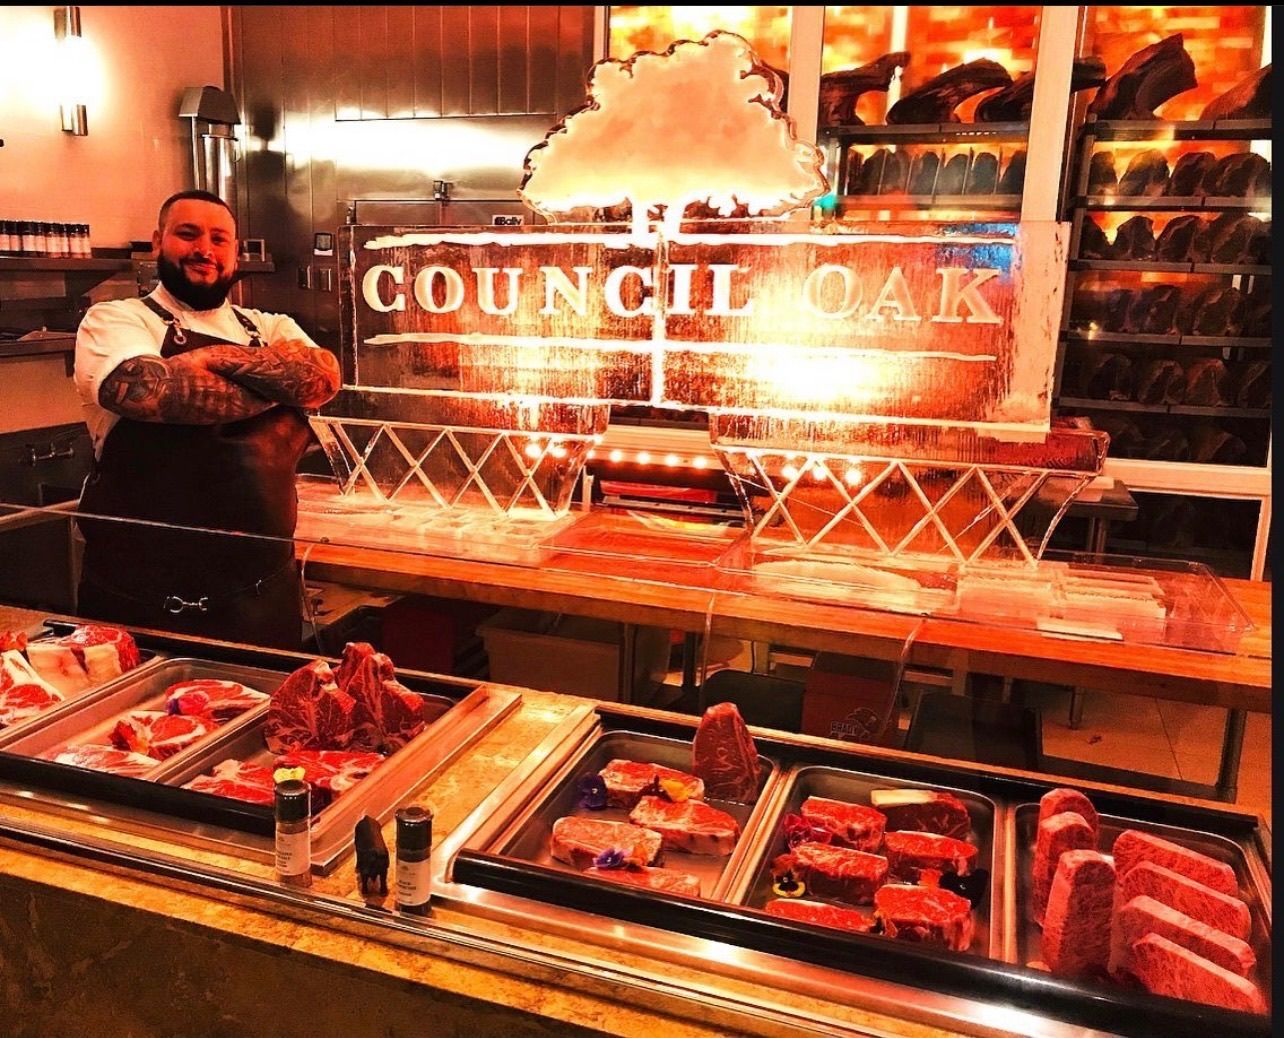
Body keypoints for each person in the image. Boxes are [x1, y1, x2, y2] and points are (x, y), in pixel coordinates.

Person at [73, 190, 340, 648]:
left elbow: (322, 380)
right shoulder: (114, 320)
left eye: (219, 239)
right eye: (188, 234)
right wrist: (274, 385)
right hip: (138, 608)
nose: (204, 250)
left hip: (262, 604)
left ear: (234, 251)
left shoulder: (269, 325)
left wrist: (210, 359)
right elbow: (156, 392)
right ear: (158, 242)